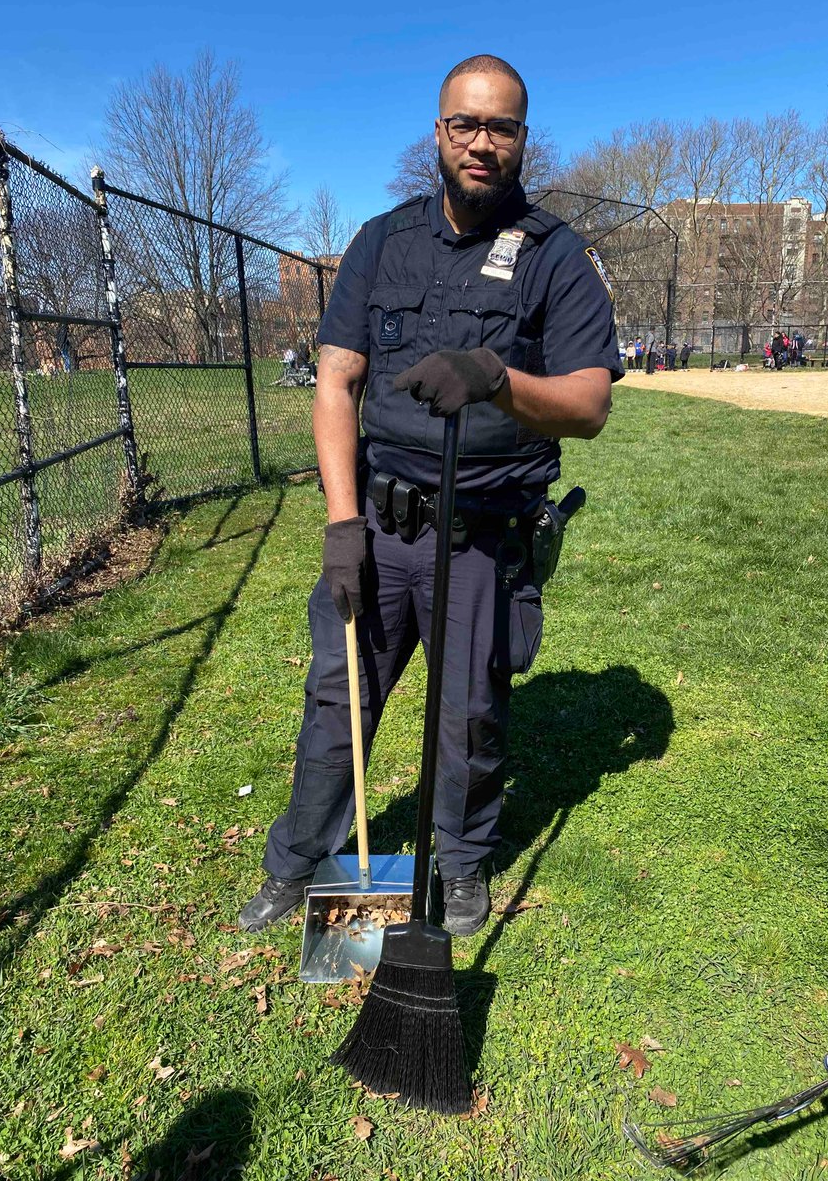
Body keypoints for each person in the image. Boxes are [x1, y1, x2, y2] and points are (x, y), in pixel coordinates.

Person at [238, 55, 620, 937]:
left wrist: (496, 377)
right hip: (377, 524)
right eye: (465, 125)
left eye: (502, 127)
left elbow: (589, 404)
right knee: (338, 705)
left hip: (483, 535)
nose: (482, 143)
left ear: (524, 137)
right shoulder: (381, 241)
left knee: (469, 717)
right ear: (439, 131)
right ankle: (298, 865)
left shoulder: (557, 257)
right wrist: (341, 525)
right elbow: (335, 385)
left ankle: (462, 860)